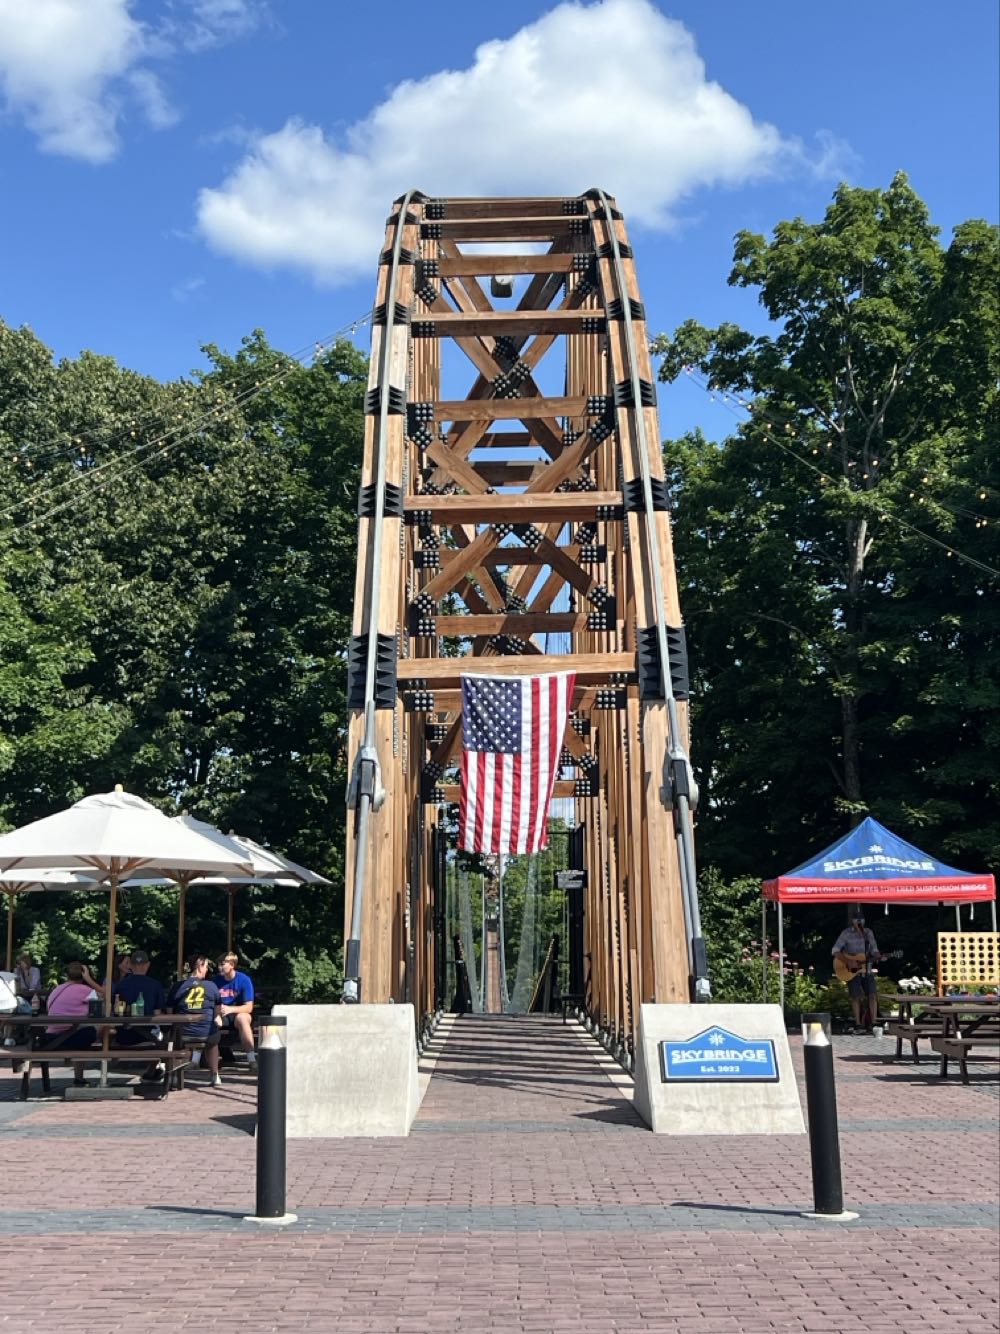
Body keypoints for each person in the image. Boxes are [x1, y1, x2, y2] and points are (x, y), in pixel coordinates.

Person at [168, 953, 223, 1087]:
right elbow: (218, 1008)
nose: (207, 970)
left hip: (183, 1033)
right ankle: (215, 1074)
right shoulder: (211, 986)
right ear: (200, 966)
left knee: (173, 1038)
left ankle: (174, 1075)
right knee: (213, 1041)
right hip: (206, 1033)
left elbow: (169, 1011)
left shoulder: (178, 986)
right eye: (206, 967)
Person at [43, 962, 102, 1085]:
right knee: (93, 1030)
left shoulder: (57, 989)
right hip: (70, 1038)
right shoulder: (85, 990)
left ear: (67, 975)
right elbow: (104, 995)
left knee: (81, 1031)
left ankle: (79, 1078)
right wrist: (89, 980)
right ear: (84, 975)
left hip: (50, 1039)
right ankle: (105, 1058)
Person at [832, 909, 886, 1032]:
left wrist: (879, 956)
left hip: (867, 968)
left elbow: (874, 950)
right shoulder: (846, 933)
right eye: (857, 920)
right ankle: (857, 1023)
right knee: (855, 996)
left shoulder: (868, 933)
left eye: (861, 919)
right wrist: (848, 961)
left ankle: (873, 1022)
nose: (859, 922)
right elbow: (835, 950)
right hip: (851, 970)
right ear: (853, 921)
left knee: (872, 994)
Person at [213, 951, 256, 1069]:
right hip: (220, 1014)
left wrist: (230, 1009)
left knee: (243, 1018)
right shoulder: (215, 981)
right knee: (209, 1020)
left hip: (238, 1013)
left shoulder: (244, 980)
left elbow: (249, 1007)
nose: (219, 967)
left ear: (232, 965)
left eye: (222, 964)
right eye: (219, 964)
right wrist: (217, 1013)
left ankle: (251, 1059)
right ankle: (198, 1060)